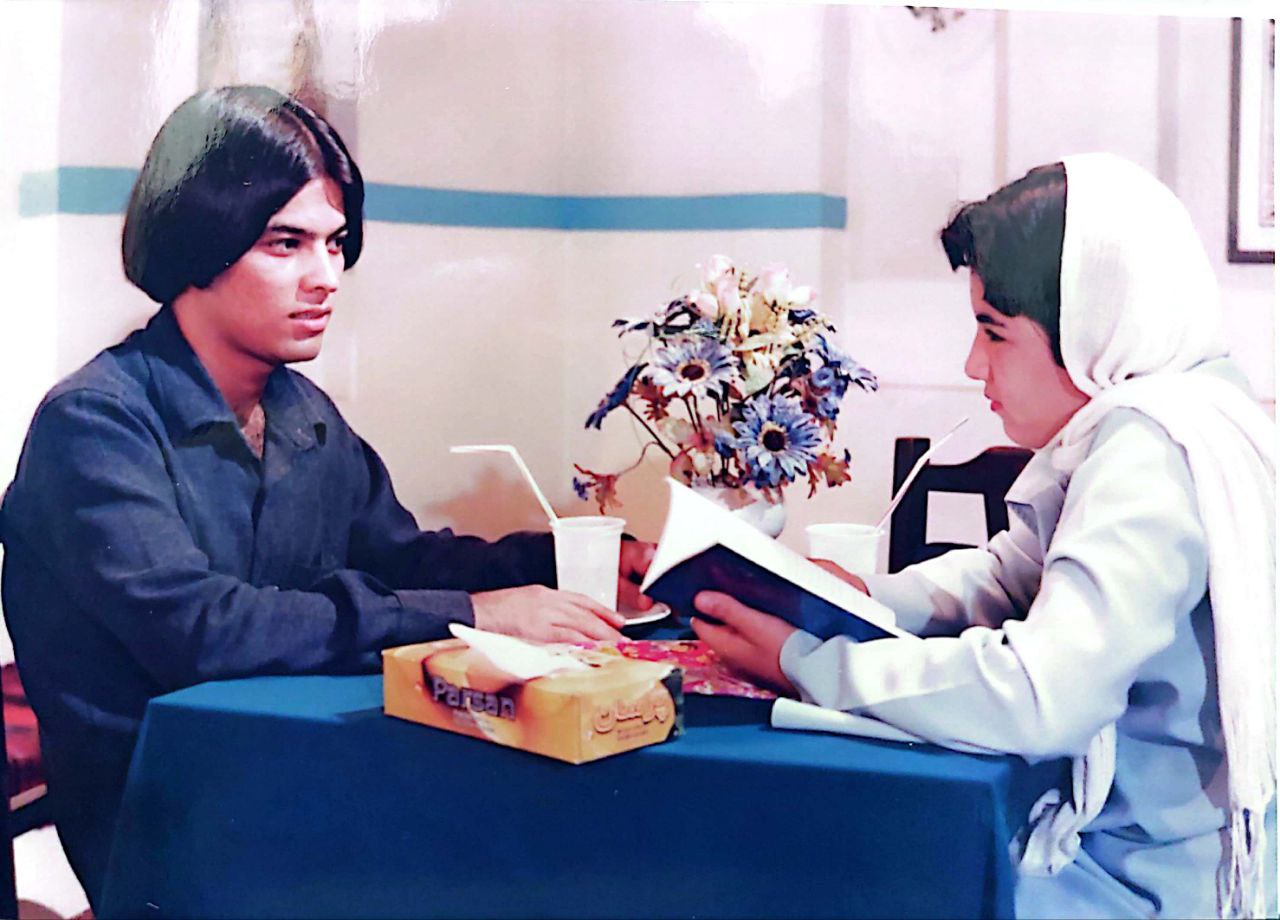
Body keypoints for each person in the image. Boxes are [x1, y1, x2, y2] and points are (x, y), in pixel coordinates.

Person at [0, 85, 653, 907]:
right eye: (286, 244)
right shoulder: (95, 424)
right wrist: (478, 614)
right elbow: (205, 632)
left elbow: (403, 558)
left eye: (336, 243)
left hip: (302, 773)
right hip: (173, 821)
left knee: (586, 841)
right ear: (199, 240)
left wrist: (562, 564)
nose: (326, 277)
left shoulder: (300, 410)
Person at [691, 155, 1276, 919]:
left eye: (994, 333)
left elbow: (1041, 694)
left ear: (1090, 327)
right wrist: (861, 594)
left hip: (1144, 885)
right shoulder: (1188, 410)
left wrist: (803, 664)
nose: (973, 365)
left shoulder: (1148, 452)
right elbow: (1011, 577)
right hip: (1137, 853)